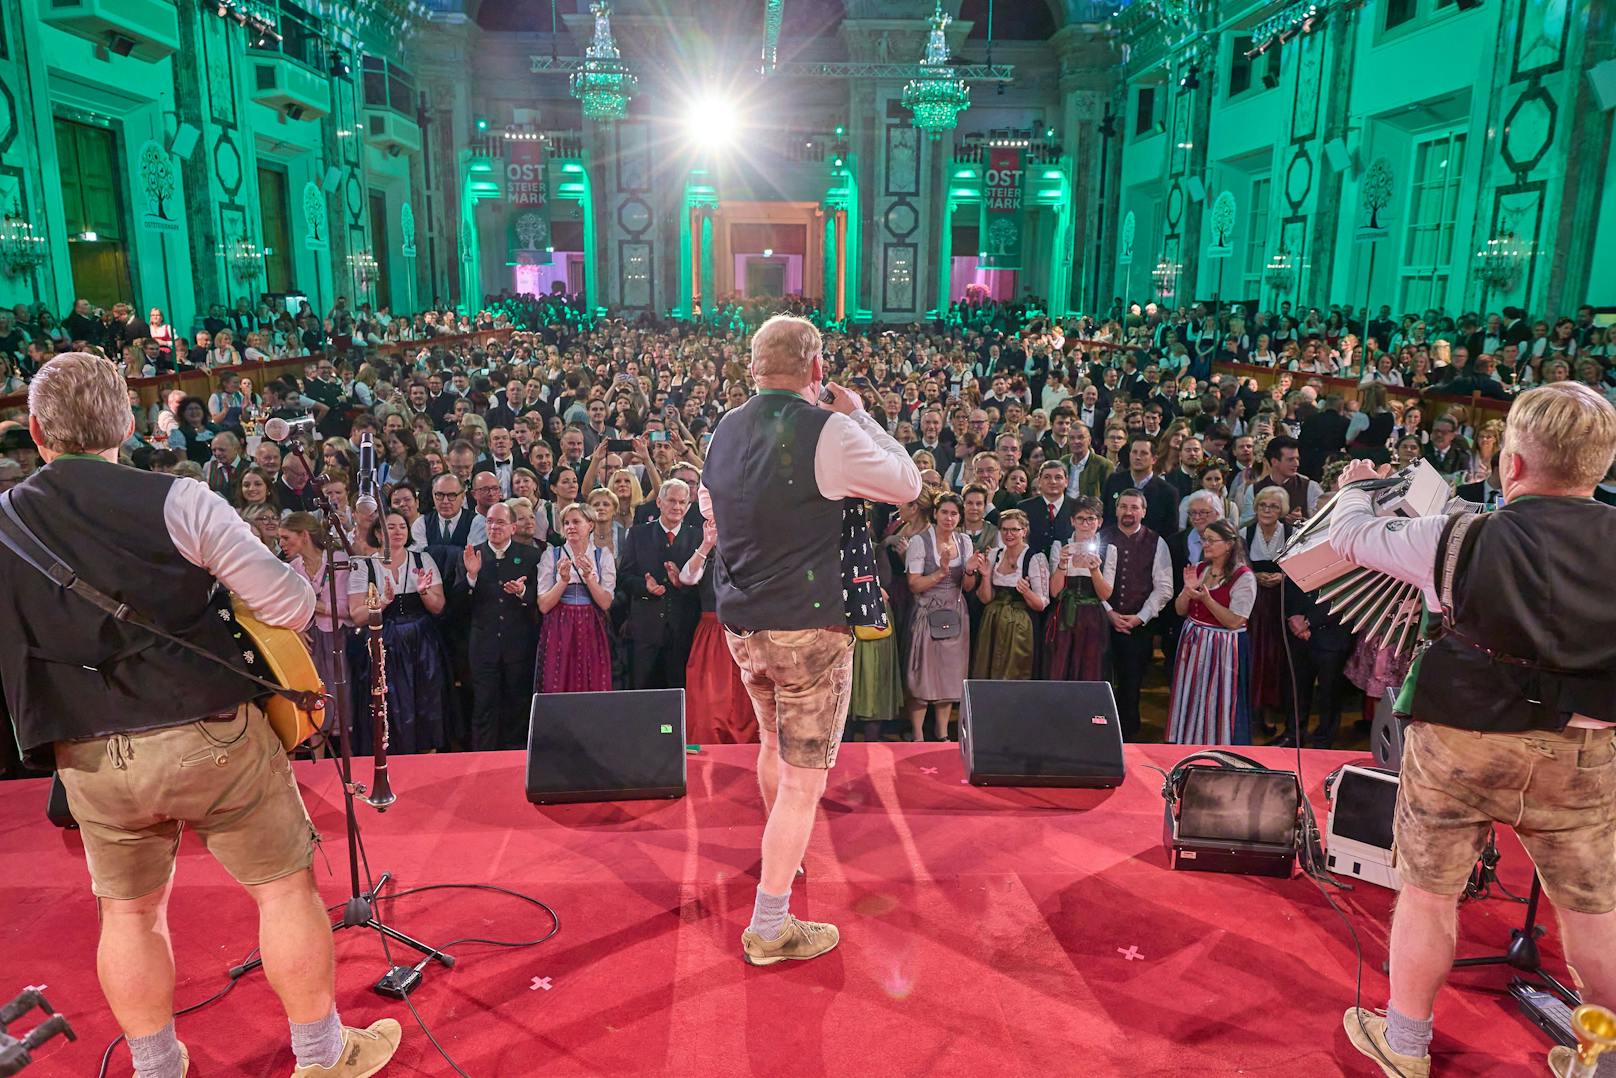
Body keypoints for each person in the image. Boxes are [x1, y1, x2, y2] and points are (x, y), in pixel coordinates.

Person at [0, 353, 400, 1078]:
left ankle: (157, 1069)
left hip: (88, 756)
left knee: (128, 915)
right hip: (206, 734)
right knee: (283, 890)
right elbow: (290, 606)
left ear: (35, 430)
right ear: (125, 422)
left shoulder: (5, 524)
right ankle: (322, 1056)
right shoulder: (179, 502)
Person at [1337, 383, 1616, 1078]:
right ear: (1600, 466)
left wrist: (1353, 488)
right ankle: (1603, 1060)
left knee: (1429, 893)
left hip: (1460, 744)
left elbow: (1348, 537)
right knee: (1592, 912)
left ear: (1512, 465)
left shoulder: (1458, 536)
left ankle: (1404, 1047)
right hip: (1581, 753)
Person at [701, 314, 921, 967]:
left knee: (772, 744)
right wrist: (862, 416)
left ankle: (781, 854)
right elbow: (906, 484)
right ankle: (770, 926)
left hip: (743, 626)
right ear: (817, 369)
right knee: (803, 783)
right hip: (808, 630)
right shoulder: (828, 432)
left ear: (752, 367)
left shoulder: (724, 428)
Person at [346, 510, 451, 754]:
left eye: (402, 526)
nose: (397, 532)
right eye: (390, 527)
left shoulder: (422, 560)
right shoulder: (363, 566)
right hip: (384, 644)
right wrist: (382, 601)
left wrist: (424, 592)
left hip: (421, 643)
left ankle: (427, 754)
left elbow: (439, 608)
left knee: (425, 700)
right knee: (391, 703)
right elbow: (357, 615)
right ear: (378, 533)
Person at [457, 503, 542, 750]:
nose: (494, 527)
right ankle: (481, 758)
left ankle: (516, 758)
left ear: (513, 527)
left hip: (519, 644)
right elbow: (456, 605)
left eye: (500, 522)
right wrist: (471, 578)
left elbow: (540, 597)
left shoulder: (530, 556)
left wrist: (523, 591)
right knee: (484, 705)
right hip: (483, 645)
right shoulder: (472, 555)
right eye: (490, 521)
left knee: (518, 703)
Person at [1165, 518, 1255, 744]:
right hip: (1194, 642)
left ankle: (1219, 743)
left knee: (1220, 699)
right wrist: (1187, 591)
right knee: (1192, 694)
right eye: (1205, 539)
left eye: (1211, 540)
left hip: (1223, 647)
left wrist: (1207, 599)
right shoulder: (1200, 569)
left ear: (1229, 544)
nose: (1205, 544)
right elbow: (1179, 610)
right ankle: (1188, 740)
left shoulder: (1243, 577)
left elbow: (1235, 621)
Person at [903, 489, 975, 742]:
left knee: (948, 675)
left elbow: (967, 587)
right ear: (935, 514)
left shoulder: (965, 542)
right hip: (927, 612)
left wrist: (973, 573)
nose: (949, 518)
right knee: (922, 675)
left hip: (955, 613)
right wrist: (940, 572)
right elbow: (913, 584)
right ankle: (918, 734)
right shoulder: (919, 542)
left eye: (954, 513)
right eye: (944, 512)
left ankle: (942, 733)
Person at [1101, 489, 1173, 740]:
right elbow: (1089, 582)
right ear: (1116, 509)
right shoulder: (1102, 537)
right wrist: (1109, 612)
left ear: (1143, 511)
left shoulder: (1156, 541)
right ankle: (1101, 734)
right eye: (1123, 506)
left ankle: (1128, 739)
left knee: (1131, 686)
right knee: (1103, 682)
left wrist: (1140, 617)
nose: (1128, 512)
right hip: (1103, 623)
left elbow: (1164, 587)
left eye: (1134, 507)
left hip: (1139, 626)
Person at [617, 478, 702, 689]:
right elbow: (624, 578)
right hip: (645, 629)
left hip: (683, 630)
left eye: (683, 502)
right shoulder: (638, 534)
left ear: (689, 506)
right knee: (643, 693)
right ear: (659, 503)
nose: (677, 507)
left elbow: (704, 586)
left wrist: (683, 585)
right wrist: (644, 587)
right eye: (672, 501)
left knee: (678, 692)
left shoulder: (698, 537)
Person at [535, 502, 615, 693]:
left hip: (591, 624)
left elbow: (605, 603)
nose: (570, 526)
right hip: (560, 625)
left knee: (593, 679)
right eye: (566, 523)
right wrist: (562, 581)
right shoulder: (551, 555)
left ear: (590, 525)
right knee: (557, 679)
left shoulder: (602, 555)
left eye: (576, 522)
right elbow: (544, 606)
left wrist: (589, 578)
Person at [971, 508, 1050, 680]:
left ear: (1024, 531)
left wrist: (1026, 592)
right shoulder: (994, 554)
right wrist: (985, 576)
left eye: (1014, 529)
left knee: (1016, 671)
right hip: (992, 621)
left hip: (1021, 625)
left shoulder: (1034, 558)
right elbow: (985, 598)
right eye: (1005, 529)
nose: (1009, 534)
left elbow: (1041, 604)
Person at [1044, 496, 1115, 680]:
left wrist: (1095, 570)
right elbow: (1054, 592)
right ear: (1072, 521)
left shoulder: (1109, 550)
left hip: (1092, 618)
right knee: (1060, 665)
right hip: (1064, 616)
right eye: (1081, 519)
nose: (1085, 524)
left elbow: (1105, 594)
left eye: (1091, 519)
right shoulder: (1060, 546)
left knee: (1090, 668)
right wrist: (1061, 565)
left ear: (1099, 522)